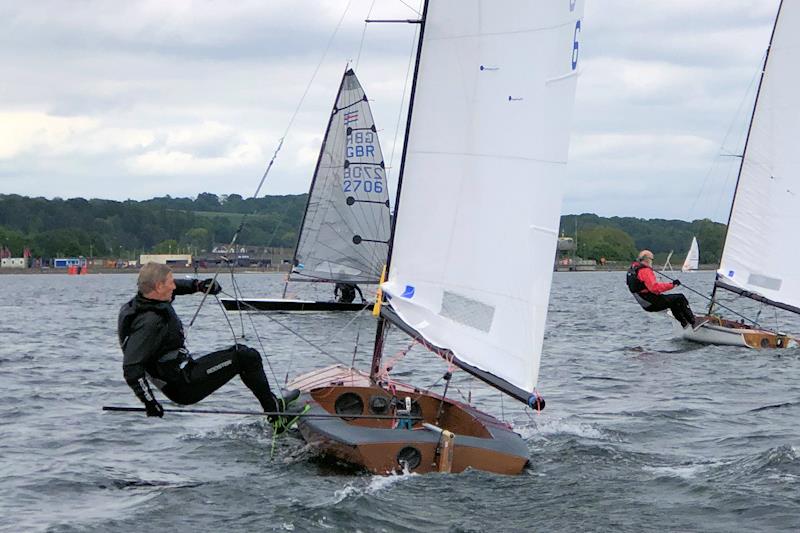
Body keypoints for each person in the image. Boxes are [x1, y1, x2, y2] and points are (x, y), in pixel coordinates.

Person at [117, 263, 297, 429]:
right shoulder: (149, 322)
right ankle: (276, 417)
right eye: (170, 283)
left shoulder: (145, 300)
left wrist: (199, 285)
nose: (174, 286)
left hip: (183, 371)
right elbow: (131, 369)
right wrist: (150, 403)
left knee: (244, 355)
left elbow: (176, 287)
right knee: (246, 356)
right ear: (158, 287)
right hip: (184, 386)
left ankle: (273, 405)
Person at [627, 250, 697, 328]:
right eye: (652, 259)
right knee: (680, 297)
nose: (652, 261)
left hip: (645, 302)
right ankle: (693, 321)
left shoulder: (633, 269)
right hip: (651, 302)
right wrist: (672, 285)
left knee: (673, 301)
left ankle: (684, 322)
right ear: (647, 259)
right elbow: (654, 288)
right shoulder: (645, 271)